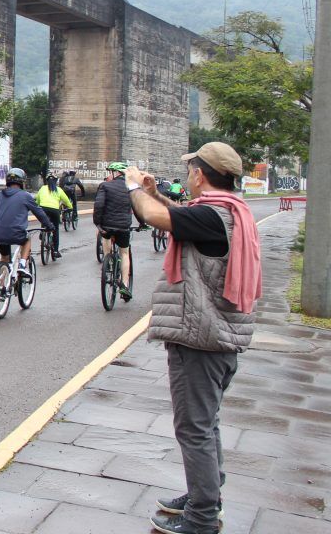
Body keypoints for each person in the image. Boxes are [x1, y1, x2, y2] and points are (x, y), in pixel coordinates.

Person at [124, 144, 260, 534]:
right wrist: (153, 192)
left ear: (200, 174)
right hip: (219, 336)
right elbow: (177, 215)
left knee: (193, 427)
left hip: (201, 339)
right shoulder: (229, 211)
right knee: (207, 421)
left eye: (190, 170)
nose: (188, 176)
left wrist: (133, 187)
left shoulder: (213, 215)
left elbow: (154, 217)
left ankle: (202, 517)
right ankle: (206, 493)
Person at [93, 161, 145, 301]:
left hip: (108, 225)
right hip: (123, 226)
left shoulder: (105, 186)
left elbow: (99, 206)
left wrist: (98, 223)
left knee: (106, 238)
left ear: (115, 173)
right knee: (124, 252)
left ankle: (108, 261)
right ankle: (125, 285)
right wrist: (142, 223)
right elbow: (137, 209)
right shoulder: (131, 188)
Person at [0, 167, 53, 278]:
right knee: (27, 239)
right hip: (17, 233)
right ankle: (22, 265)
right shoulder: (25, 196)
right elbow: (39, 213)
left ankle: (0, 288)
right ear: (22, 182)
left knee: (4, 259)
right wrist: (49, 226)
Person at [33, 174, 73, 259]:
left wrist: (39, 205)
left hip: (43, 209)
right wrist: (70, 207)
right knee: (55, 229)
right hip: (55, 210)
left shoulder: (42, 188)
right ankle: (55, 251)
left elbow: (37, 200)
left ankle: (42, 232)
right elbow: (66, 200)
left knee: (44, 219)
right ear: (56, 181)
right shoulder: (58, 190)